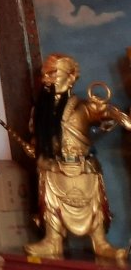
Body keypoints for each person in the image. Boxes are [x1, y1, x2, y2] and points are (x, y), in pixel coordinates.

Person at [24, 53, 131, 260]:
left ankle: (100, 242)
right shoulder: (40, 111)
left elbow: (103, 113)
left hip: (83, 168)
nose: (48, 77)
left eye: (54, 72)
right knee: (50, 203)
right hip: (54, 168)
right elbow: (37, 138)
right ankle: (52, 241)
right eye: (45, 73)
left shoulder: (82, 107)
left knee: (95, 206)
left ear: (71, 77)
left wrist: (111, 113)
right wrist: (34, 148)